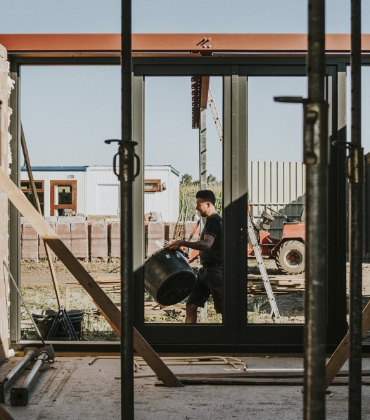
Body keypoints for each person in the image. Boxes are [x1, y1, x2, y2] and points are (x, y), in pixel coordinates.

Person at [168, 190, 222, 323]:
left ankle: (228, 339)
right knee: (191, 305)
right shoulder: (212, 221)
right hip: (205, 272)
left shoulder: (214, 221)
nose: (196, 207)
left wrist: (182, 242)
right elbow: (209, 247)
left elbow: (207, 244)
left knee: (224, 308)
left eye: (199, 204)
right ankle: (189, 338)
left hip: (215, 272)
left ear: (208, 204)